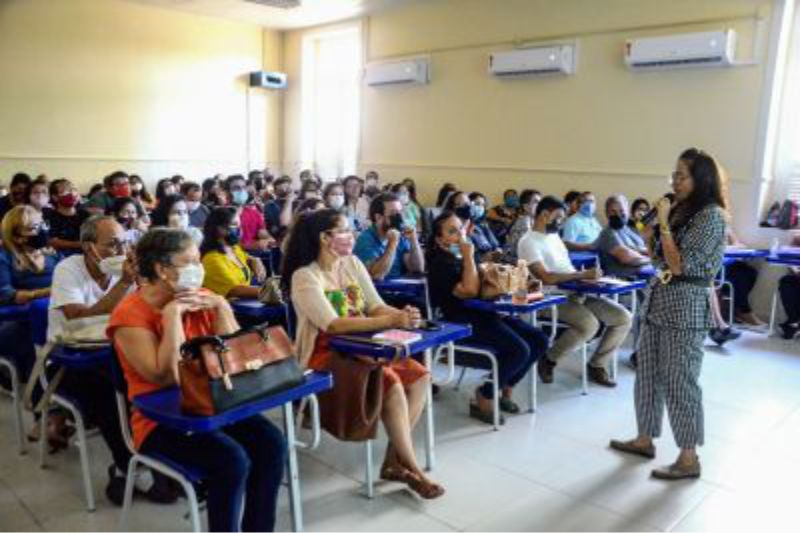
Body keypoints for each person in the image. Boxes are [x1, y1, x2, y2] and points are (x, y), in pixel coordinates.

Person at [108, 228, 286, 531]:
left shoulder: (202, 298)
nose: (198, 269)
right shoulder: (130, 315)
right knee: (231, 460)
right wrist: (172, 317)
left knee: (271, 443)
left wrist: (221, 306)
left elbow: (235, 354)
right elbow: (166, 377)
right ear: (162, 270)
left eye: (198, 260)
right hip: (159, 422)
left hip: (214, 401)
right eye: (188, 261)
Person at [283, 209, 444, 499]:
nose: (352, 235)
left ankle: (394, 461)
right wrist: (389, 321)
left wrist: (402, 315)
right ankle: (413, 469)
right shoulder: (305, 276)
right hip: (328, 355)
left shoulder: (352, 264)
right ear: (325, 238)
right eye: (345, 230)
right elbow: (333, 324)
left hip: (367, 346)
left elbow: (375, 306)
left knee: (420, 377)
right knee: (392, 384)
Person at [610, 148, 728, 480]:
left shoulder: (711, 216)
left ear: (700, 179)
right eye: (673, 175)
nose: (674, 181)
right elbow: (658, 258)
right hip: (659, 299)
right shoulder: (680, 211)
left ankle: (688, 458)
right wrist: (651, 232)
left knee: (680, 381)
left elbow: (679, 264)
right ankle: (644, 438)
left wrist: (662, 224)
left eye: (681, 175)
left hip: (686, 303)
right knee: (647, 373)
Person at [46, 215, 177, 505]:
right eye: (111, 244)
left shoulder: (128, 269)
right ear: (88, 247)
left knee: (153, 378)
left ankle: (158, 459)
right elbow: (77, 318)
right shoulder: (68, 269)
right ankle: (131, 465)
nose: (119, 251)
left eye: (124, 243)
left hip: (113, 352)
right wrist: (124, 284)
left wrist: (143, 279)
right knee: (109, 391)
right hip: (69, 360)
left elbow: (149, 308)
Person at [426, 211, 548, 423]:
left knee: (539, 340)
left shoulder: (461, 255)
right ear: (440, 240)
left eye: (461, 229)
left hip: (485, 314)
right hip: (460, 321)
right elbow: (470, 290)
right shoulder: (440, 264)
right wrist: (468, 256)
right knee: (519, 350)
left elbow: (483, 286)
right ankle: (485, 394)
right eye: (452, 232)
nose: (460, 235)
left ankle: (504, 388)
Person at [518, 196, 632, 387]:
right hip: (549, 298)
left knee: (623, 318)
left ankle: (597, 364)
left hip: (576, 291)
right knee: (589, 324)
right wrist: (580, 275)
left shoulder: (554, 237)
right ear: (544, 214)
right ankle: (549, 358)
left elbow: (566, 269)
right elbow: (546, 277)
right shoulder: (528, 241)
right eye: (558, 217)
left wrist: (590, 278)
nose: (561, 221)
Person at [0, 206, 61, 442]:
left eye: (42, 225)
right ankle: (47, 416)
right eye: (34, 228)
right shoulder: (4, 255)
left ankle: (61, 411)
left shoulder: (49, 251)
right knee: (37, 351)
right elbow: (6, 294)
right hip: (16, 321)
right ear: (16, 234)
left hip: (51, 316)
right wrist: (45, 292)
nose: (41, 231)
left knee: (66, 348)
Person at [354, 192, 424, 281]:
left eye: (400, 213)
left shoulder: (401, 235)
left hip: (402, 288)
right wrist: (392, 244)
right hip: (381, 290)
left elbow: (417, 268)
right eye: (394, 214)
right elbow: (377, 275)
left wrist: (414, 241)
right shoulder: (365, 239)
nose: (399, 218)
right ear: (378, 217)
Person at [201, 207, 267, 300]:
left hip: (245, 304)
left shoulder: (234, 248)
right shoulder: (212, 259)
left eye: (240, 225)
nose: (240, 229)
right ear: (220, 228)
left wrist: (254, 260)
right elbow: (234, 290)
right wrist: (268, 291)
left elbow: (245, 257)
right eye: (235, 225)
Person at [596, 194, 651, 278]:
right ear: (607, 213)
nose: (618, 214)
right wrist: (653, 260)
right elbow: (627, 257)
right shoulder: (607, 233)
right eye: (613, 211)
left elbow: (643, 249)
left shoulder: (630, 230)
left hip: (642, 274)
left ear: (628, 212)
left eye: (622, 211)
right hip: (625, 280)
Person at [723, 229, 765, 326]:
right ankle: (743, 311)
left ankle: (740, 310)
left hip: (728, 263)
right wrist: (730, 247)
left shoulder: (727, 229)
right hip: (714, 266)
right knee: (737, 279)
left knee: (749, 272)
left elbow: (741, 245)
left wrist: (730, 247)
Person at [225, 174, 274, 253]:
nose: (241, 191)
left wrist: (269, 239)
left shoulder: (253, 212)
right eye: (236, 188)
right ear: (227, 192)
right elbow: (227, 243)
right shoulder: (221, 214)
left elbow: (261, 232)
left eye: (244, 187)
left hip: (256, 254)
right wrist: (252, 245)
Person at [45, 178, 90, 254]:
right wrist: (78, 244)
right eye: (65, 191)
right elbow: (53, 241)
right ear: (55, 197)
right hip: (61, 256)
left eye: (73, 189)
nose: (71, 193)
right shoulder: (50, 216)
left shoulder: (85, 214)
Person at [503, 189, 541, 263]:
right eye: (536, 202)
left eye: (540, 202)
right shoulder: (523, 222)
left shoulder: (533, 221)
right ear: (525, 206)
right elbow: (529, 250)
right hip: (515, 262)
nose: (540, 206)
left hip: (525, 260)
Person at [467, 192, 503, 261]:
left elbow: (495, 244)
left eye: (483, 205)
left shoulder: (483, 225)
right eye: (477, 204)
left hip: (491, 263)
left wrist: (498, 250)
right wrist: (482, 258)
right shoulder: (464, 228)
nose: (480, 208)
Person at [777, 233, 800, 339]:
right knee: (786, 282)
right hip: (797, 275)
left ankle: (793, 324)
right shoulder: (797, 237)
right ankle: (794, 321)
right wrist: (796, 271)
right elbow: (788, 257)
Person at [264, 175, 295, 242]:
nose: (285, 191)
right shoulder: (270, 206)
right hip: (278, 239)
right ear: (275, 192)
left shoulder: (298, 203)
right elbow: (275, 227)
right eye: (281, 190)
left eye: (287, 188)